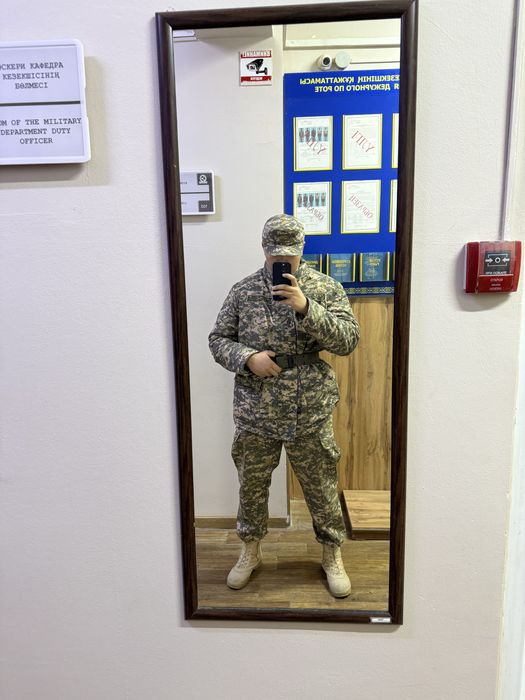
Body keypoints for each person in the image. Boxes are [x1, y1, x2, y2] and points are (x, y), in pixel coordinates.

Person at [208, 214, 360, 597]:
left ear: (301, 249)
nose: (283, 260)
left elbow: (347, 341)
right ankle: (250, 550)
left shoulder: (324, 287)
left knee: (321, 485)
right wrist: (248, 358)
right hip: (256, 409)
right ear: (264, 249)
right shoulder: (243, 291)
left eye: (289, 254)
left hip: (309, 409)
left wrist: (307, 307)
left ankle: (331, 552)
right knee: (252, 485)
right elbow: (218, 339)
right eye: (275, 253)